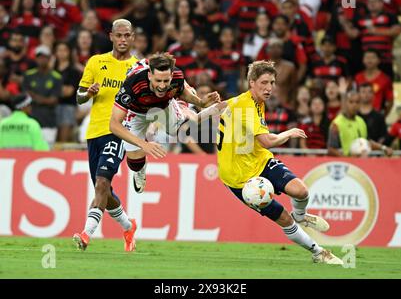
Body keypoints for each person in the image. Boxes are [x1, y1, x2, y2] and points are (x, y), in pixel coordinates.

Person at [217, 60, 343, 265]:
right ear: (251, 82)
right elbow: (267, 141)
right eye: (264, 83)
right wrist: (289, 132)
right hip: (240, 178)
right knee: (284, 219)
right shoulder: (246, 106)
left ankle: (301, 215)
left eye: (272, 82)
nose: (269, 88)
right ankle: (318, 252)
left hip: (259, 160)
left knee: (301, 191)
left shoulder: (253, 101)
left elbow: (220, 107)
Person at [109, 53, 223, 194]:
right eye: (158, 81)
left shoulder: (176, 76)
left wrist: (200, 102)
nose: (162, 86)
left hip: (163, 106)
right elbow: (114, 125)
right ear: (150, 75)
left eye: (166, 81)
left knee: (181, 128)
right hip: (136, 113)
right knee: (135, 164)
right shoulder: (133, 85)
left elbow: (182, 91)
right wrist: (144, 144)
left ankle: (183, 108)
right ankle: (140, 170)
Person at [72, 19, 138, 252]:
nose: (122, 40)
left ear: (132, 37)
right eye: (118, 35)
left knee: (101, 183)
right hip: (94, 132)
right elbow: (78, 97)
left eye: (127, 35)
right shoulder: (96, 61)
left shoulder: (138, 68)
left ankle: (86, 234)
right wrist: (88, 93)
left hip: (118, 132)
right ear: (111, 36)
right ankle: (128, 226)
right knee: (104, 190)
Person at [327, 90, 392, 157]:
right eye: (351, 102)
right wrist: (346, 159)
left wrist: (383, 148)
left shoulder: (361, 121)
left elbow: (366, 141)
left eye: (357, 102)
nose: (354, 105)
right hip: (346, 164)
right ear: (345, 103)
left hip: (361, 162)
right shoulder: (336, 124)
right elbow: (331, 149)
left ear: (360, 104)